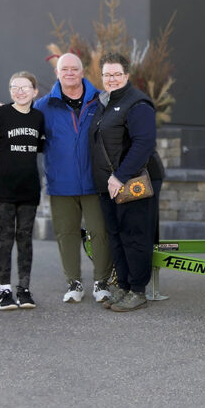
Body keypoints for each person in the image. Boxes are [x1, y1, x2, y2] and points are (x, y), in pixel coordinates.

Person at [34, 53, 114, 303]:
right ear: (57, 73)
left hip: (95, 181)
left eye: (74, 69)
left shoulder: (101, 100)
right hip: (61, 183)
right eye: (64, 69)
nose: (69, 73)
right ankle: (74, 283)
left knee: (100, 232)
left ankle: (101, 282)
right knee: (66, 234)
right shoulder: (44, 106)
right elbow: (27, 130)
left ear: (82, 72)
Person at [90, 52, 165, 312]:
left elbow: (144, 143)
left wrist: (120, 177)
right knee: (116, 236)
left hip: (135, 181)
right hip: (109, 184)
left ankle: (137, 290)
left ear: (127, 76)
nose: (111, 79)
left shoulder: (137, 104)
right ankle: (122, 285)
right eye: (107, 74)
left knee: (135, 235)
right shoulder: (105, 102)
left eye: (117, 74)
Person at [0, 71, 45, 310]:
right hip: (2, 189)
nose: (20, 91)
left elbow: (41, 147)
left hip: (29, 189)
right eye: (15, 87)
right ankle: (4, 291)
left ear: (35, 92)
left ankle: (24, 289)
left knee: (25, 239)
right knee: (5, 239)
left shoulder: (39, 118)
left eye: (25, 87)